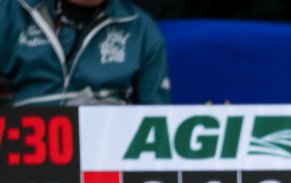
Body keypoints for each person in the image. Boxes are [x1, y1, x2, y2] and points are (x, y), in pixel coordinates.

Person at [3, 0, 171, 106]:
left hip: (105, 144)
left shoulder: (141, 29)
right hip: (20, 142)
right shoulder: (10, 12)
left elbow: (155, 121)